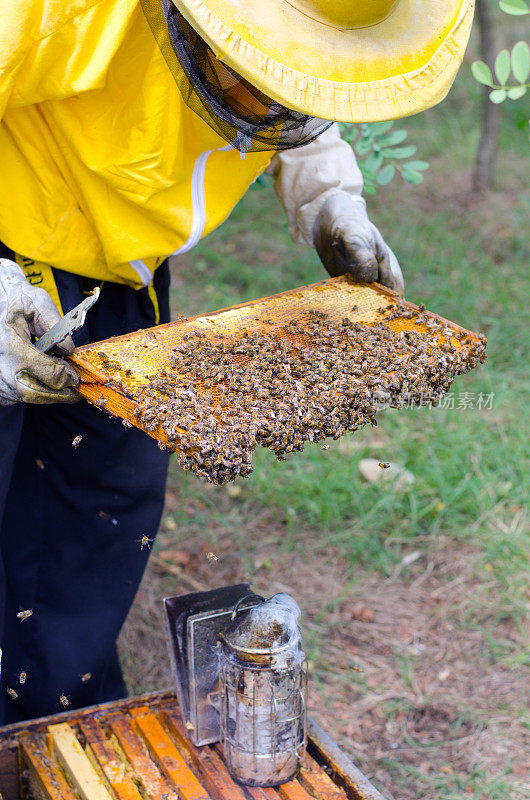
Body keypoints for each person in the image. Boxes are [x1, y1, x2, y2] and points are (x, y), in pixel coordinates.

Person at [0, 0, 474, 723]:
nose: (267, 98)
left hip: (122, 270)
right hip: (10, 243)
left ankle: (54, 718)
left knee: (104, 497)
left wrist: (328, 193)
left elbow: (312, 71)